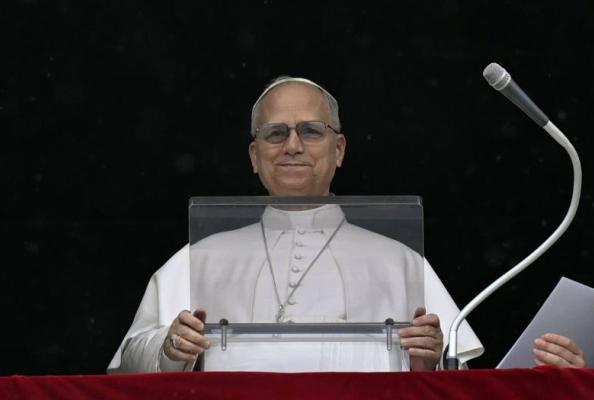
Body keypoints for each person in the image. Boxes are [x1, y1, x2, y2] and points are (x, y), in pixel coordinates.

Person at [107, 76, 578, 373]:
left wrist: (428, 363)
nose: (293, 145)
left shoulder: (400, 261)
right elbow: (128, 366)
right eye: (275, 133)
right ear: (254, 156)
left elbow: (452, 382)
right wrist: (170, 349)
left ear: (339, 150)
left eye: (311, 131)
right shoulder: (199, 258)